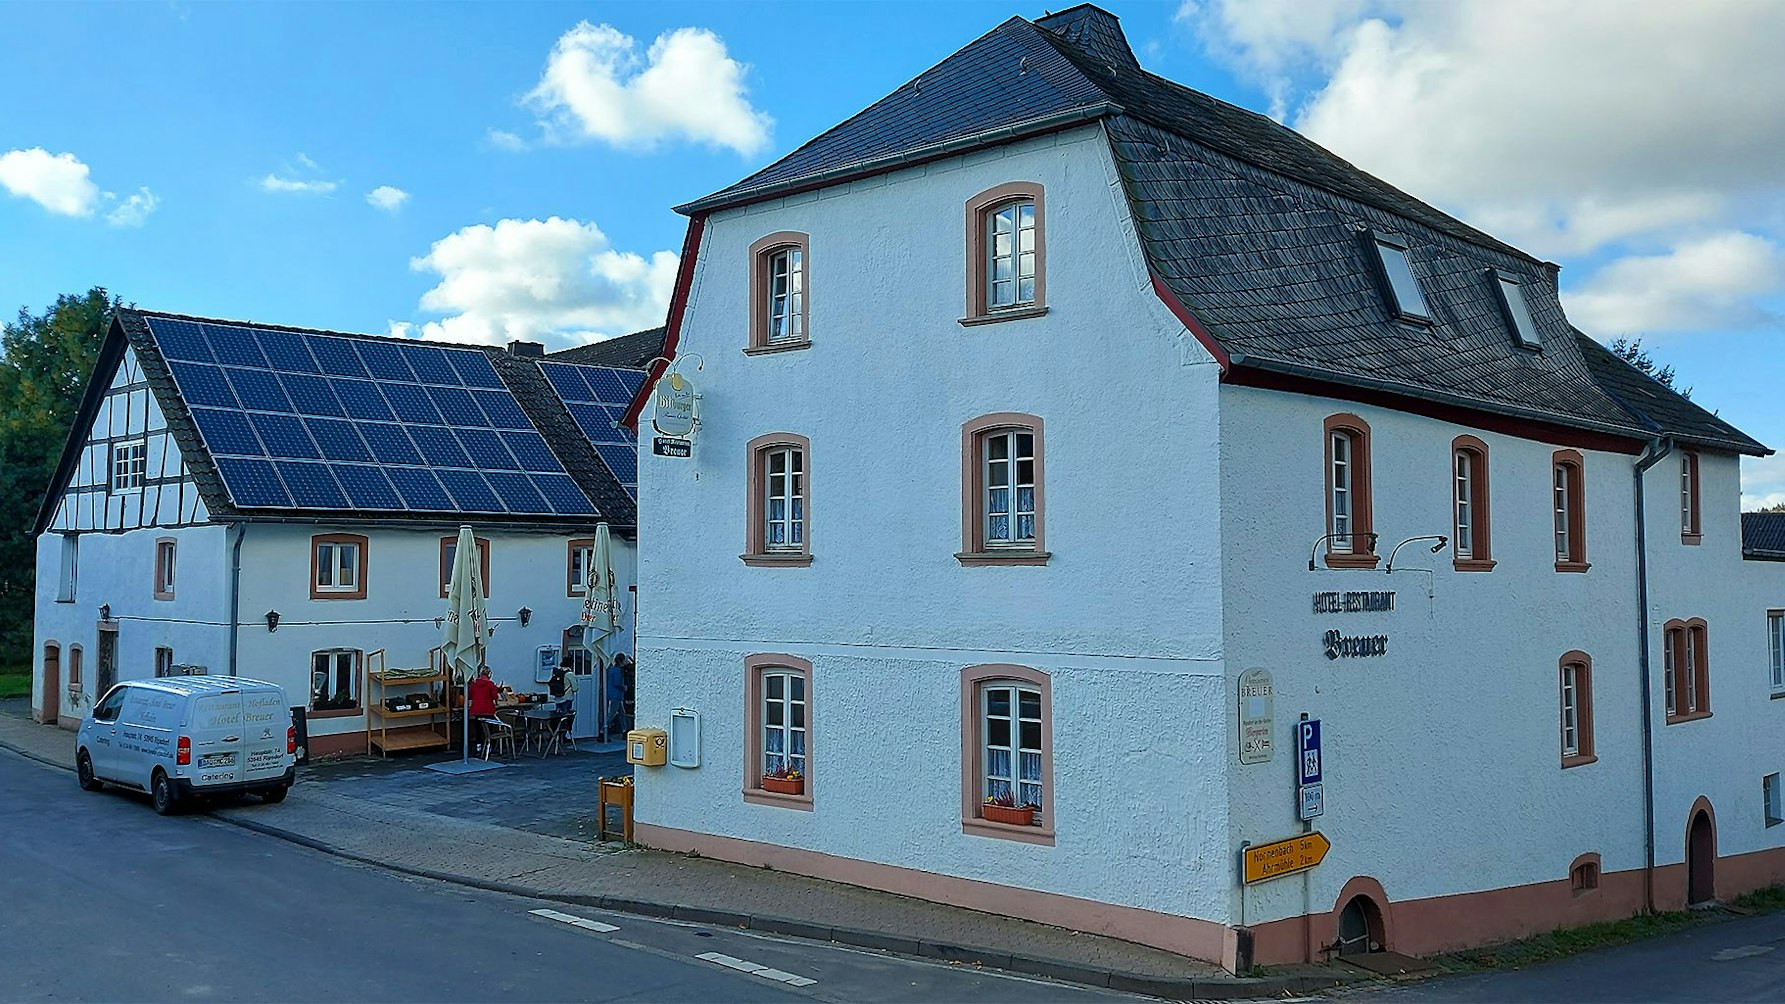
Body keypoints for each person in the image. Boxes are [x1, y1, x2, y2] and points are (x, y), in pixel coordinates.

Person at [468, 666, 500, 754]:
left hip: (476, 709)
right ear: (489, 674)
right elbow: (494, 696)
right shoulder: (490, 684)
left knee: (478, 728)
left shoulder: (474, 684)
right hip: (488, 709)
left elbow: (470, 695)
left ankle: (478, 745)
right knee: (489, 729)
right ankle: (488, 745)